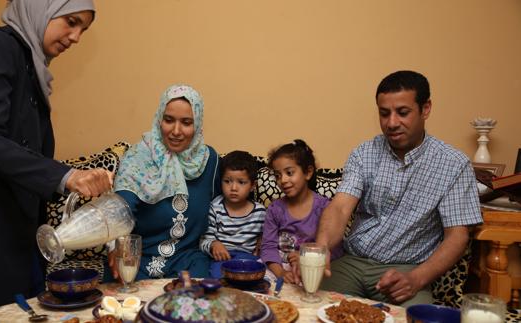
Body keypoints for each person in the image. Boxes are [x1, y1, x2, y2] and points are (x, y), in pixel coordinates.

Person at [0, 0, 113, 318]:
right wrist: (67, 176)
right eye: (71, 22)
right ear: (41, 8)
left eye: (83, 29)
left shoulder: (28, 64)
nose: (76, 36)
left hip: (11, 231)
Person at [317, 70, 483, 307]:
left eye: (402, 113)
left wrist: (415, 279)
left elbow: (457, 236)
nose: (392, 123)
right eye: (384, 114)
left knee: (414, 318)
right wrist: (322, 246)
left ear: (425, 109)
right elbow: (340, 208)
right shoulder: (364, 153)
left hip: (406, 271)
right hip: (352, 263)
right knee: (308, 306)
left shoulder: (454, 164)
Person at [112, 84, 220, 280]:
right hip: (137, 259)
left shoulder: (209, 160)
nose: (176, 131)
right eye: (169, 120)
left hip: (187, 261)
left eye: (186, 122)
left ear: (197, 125)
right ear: (159, 119)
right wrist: (116, 247)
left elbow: (222, 210)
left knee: (197, 304)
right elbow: (120, 209)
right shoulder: (137, 158)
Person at [260, 139, 343, 284]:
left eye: (289, 172)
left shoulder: (325, 208)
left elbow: (335, 249)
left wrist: (307, 257)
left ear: (308, 172)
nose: (283, 180)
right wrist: (281, 272)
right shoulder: (275, 209)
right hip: (278, 267)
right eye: (278, 175)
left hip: (311, 267)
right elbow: (268, 247)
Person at [200, 150, 266, 279]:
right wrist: (214, 244)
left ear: (253, 185)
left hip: (248, 259)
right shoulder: (215, 207)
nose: (233, 188)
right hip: (222, 258)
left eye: (241, 182)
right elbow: (204, 240)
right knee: (217, 277)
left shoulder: (260, 212)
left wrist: (262, 240)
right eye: (227, 181)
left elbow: (268, 238)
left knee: (260, 278)